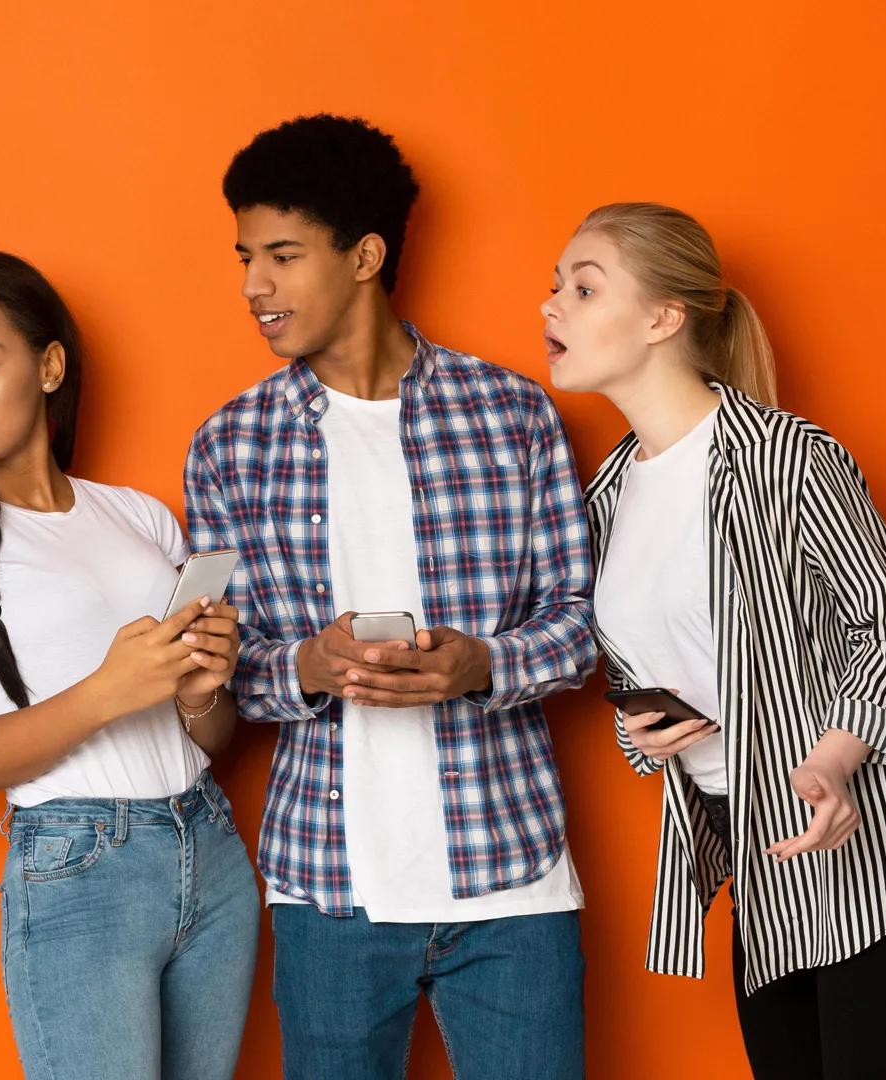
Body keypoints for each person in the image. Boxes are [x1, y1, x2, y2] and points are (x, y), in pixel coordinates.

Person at [547, 201, 886, 1079]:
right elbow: (648, 679)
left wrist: (836, 758)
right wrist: (640, 735)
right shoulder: (606, 497)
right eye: (554, 287)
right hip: (762, 869)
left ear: (663, 318)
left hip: (877, 852)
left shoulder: (785, 457)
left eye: (582, 285)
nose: (550, 307)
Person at [184, 115, 596, 1080]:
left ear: (365, 254)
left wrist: (484, 664)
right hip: (327, 889)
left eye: (282, 255)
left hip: (511, 882)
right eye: (246, 256)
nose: (254, 285)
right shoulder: (231, 445)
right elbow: (218, 667)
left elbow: (580, 625)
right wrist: (307, 666)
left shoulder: (511, 414)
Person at [0, 252, 257, 1080]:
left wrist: (200, 691)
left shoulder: (140, 516)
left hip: (210, 844)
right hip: (79, 867)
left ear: (49, 366)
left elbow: (212, 735)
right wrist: (105, 692)